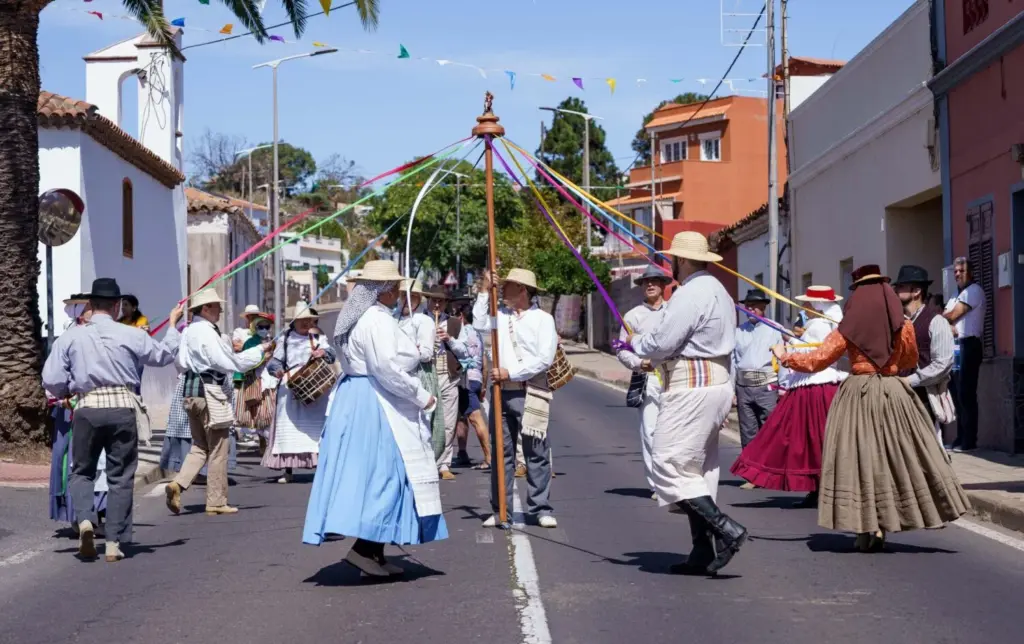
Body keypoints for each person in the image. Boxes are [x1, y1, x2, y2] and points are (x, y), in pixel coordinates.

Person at [772, 264, 970, 552]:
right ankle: (887, 522)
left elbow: (817, 360)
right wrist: (887, 366)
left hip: (858, 395)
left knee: (859, 459)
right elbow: (908, 360)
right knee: (892, 460)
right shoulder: (903, 326)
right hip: (893, 393)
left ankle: (866, 528)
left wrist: (785, 356)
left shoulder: (848, 328)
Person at [302, 260, 446, 577]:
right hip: (375, 400)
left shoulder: (365, 318)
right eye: (393, 286)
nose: (397, 291)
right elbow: (387, 369)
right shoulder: (376, 321)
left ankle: (375, 551)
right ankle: (364, 549)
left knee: (374, 476)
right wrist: (422, 396)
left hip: (358, 397)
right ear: (381, 290)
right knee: (388, 475)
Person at [622, 231, 746, 575]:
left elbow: (664, 340)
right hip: (714, 383)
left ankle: (726, 530)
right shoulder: (717, 290)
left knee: (667, 460)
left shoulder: (691, 293)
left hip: (692, 384)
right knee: (697, 468)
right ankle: (701, 550)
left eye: (673, 258)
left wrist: (639, 343)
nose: (670, 263)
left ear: (683, 260)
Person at [42, 278, 183, 562]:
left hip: (87, 407)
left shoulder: (71, 337)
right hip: (122, 408)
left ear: (91, 305)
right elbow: (163, 355)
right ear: (117, 305)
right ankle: (114, 542)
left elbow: (51, 379)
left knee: (81, 471)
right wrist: (172, 326)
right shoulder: (132, 334)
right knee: (120, 476)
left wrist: (68, 390)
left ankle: (84, 520)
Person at [730, 285, 846, 508]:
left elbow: (817, 358)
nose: (803, 307)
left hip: (814, 384)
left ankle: (822, 488)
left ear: (817, 305)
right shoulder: (817, 325)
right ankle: (816, 488)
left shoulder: (819, 326)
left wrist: (785, 355)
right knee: (807, 438)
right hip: (804, 383)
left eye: (808, 303)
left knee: (804, 436)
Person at [164, 289, 272, 517]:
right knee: (219, 448)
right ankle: (216, 500)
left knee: (200, 446)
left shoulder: (189, 332)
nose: (220, 310)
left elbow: (179, 361)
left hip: (190, 393)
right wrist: (260, 351)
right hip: (209, 393)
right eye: (215, 306)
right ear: (205, 309)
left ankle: (178, 484)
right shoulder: (206, 332)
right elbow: (229, 362)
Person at [474, 268, 558, 529]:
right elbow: (478, 323)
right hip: (502, 391)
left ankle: (540, 507)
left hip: (531, 389)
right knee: (501, 453)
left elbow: (545, 358)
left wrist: (512, 371)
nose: (503, 289)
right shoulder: (500, 316)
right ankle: (501, 509)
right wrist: (484, 290)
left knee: (536, 451)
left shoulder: (543, 320)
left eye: (508, 285)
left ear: (522, 290)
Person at [48, 294, 107, 532]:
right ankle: (81, 517)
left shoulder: (96, 338)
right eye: (90, 308)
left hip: (91, 406)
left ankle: (94, 515)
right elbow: (53, 378)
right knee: (75, 462)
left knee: (95, 461)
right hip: (71, 411)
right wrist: (64, 399)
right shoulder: (67, 340)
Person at [615, 264, 672, 499]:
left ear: (663, 286)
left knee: (672, 433)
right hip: (647, 380)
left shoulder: (674, 312)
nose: (650, 285)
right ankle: (656, 485)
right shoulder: (632, 317)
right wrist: (640, 364)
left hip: (673, 377)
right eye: (646, 282)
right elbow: (621, 349)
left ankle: (674, 482)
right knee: (650, 433)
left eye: (655, 281)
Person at [263, 306, 335, 483]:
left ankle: (320, 467)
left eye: (308, 319)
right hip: (291, 389)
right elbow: (274, 362)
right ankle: (287, 470)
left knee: (315, 431)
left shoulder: (318, 336)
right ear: (294, 321)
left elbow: (332, 356)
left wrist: (323, 352)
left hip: (316, 389)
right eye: (302, 320)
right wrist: (278, 371)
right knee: (288, 432)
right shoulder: (285, 339)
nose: (305, 323)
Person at [892, 266, 955, 447]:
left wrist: (910, 380)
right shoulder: (900, 323)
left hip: (924, 398)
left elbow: (942, 364)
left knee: (928, 453)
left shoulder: (937, 322)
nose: (896, 291)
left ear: (917, 291)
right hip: (901, 398)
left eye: (901, 286)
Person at [733, 288, 783, 470]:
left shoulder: (774, 329)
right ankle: (752, 471)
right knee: (748, 431)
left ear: (764, 307)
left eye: (755, 306)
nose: (750, 310)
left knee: (769, 428)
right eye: (748, 306)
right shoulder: (738, 331)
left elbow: (783, 358)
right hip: (743, 386)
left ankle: (770, 469)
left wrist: (783, 387)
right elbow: (733, 361)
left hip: (767, 386)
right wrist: (732, 390)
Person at [943, 257, 985, 452]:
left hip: (969, 345)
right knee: (956, 392)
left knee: (966, 393)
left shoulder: (973, 291)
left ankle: (970, 440)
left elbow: (951, 315)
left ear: (971, 273)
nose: (958, 274)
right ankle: (960, 437)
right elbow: (944, 316)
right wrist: (947, 321)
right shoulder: (954, 294)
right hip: (956, 347)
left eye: (962, 270)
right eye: (956, 272)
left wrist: (947, 320)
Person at [452, 304, 491, 470]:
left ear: (461, 316)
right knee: (462, 417)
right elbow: (484, 362)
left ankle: (489, 457)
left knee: (475, 418)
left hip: (466, 380)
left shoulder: (460, 335)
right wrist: (483, 386)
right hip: (477, 380)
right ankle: (462, 453)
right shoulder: (478, 335)